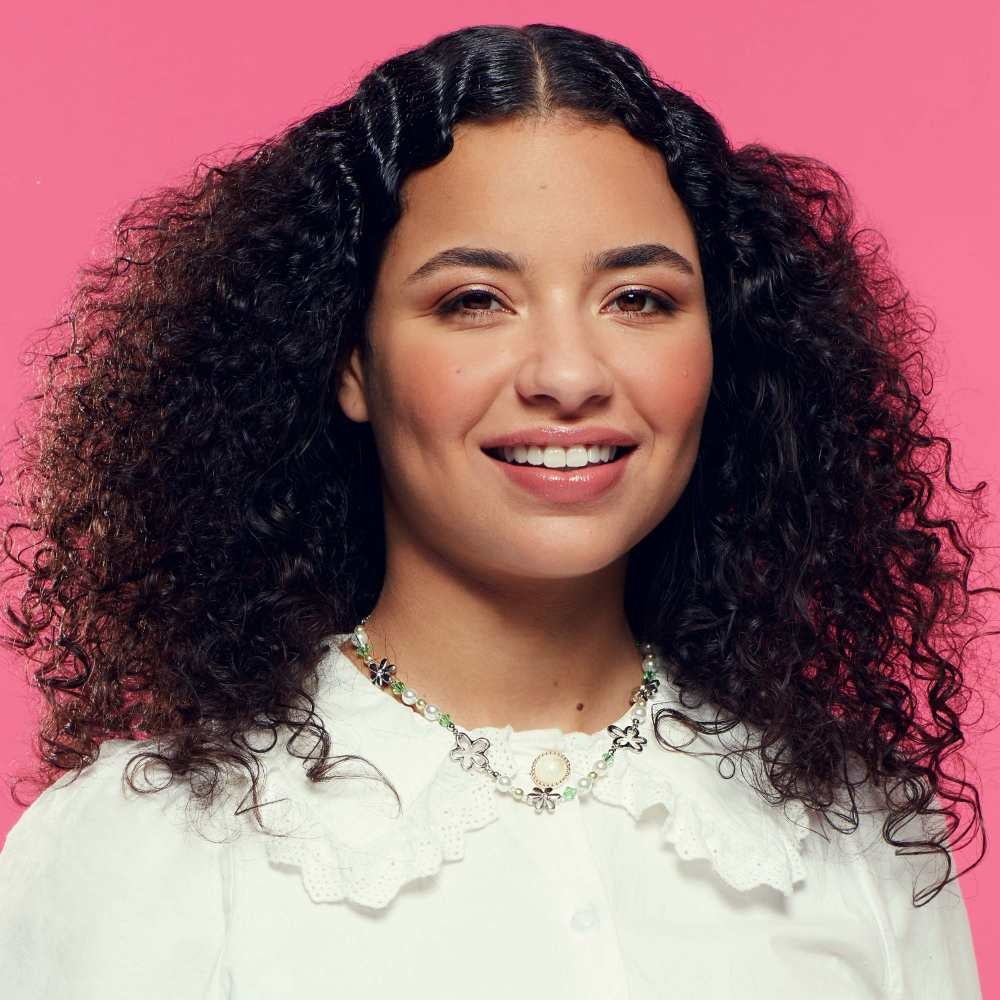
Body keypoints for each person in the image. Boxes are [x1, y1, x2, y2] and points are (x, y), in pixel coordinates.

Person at [0, 21, 989, 1000]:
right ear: (350, 360)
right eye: (474, 299)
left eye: (638, 299)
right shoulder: (150, 847)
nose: (569, 375)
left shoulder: (863, 835)